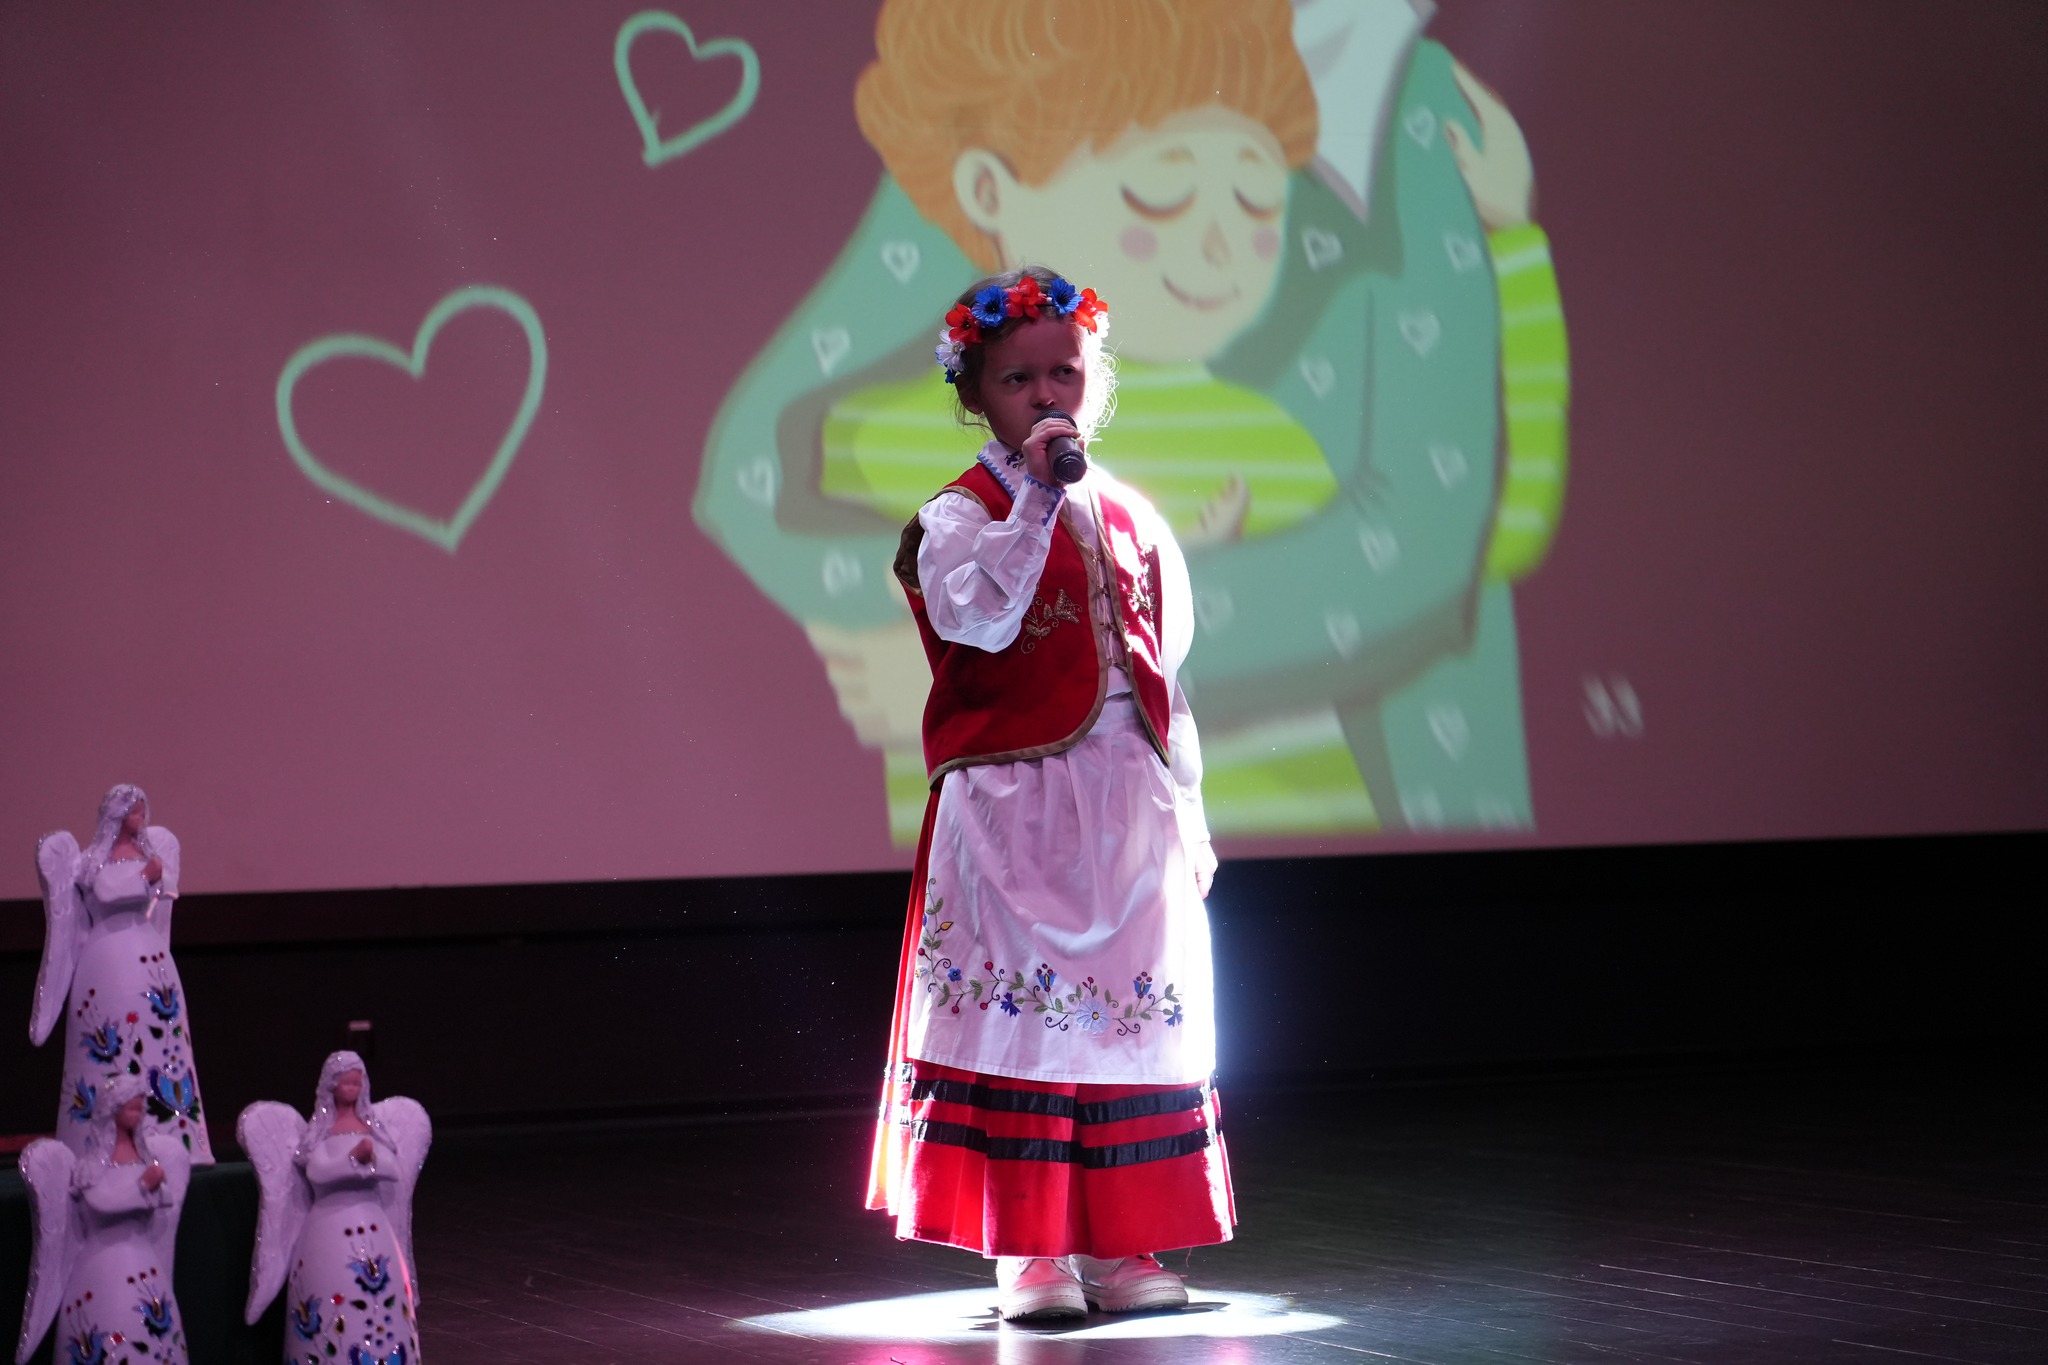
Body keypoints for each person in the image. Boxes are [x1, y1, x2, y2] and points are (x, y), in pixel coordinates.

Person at [694, 0, 1569, 847]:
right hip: (1011, 843)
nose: (1219, 243)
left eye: (1257, 198)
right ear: (989, 191)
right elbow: (962, 611)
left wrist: (1510, 243)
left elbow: (1469, 530)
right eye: (1160, 195)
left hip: (1166, 838)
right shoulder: (918, 482)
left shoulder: (1256, 448)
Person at [867, 266, 1231, 1321]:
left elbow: (1164, 678)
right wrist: (1033, 495)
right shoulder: (960, 517)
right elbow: (978, 620)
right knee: (1025, 1017)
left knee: (1127, 1017)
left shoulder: (1132, 517)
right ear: (975, 393)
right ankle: (1029, 1250)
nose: (1043, 394)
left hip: (1123, 806)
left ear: (1093, 381)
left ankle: (1125, 1243)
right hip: (1013, 813)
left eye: (1063, 373)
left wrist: (1189, 812)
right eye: (1016, 378)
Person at [31, 784, 214, 1163]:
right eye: (133, 811)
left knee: (160, 1034)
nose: (139, 818)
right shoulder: (90, 861)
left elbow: (168, 891)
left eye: (142, 811)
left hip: (149, 952)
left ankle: (173, 1136)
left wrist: (156, 876)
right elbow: (107, 891)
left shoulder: (149, 853)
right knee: (108, 1034)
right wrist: (146, 875)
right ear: (116, 815)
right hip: (107, 958)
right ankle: (93, 1142)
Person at [238, 1050, 431, 1365]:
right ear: (331, 1085)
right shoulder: (319, 1131)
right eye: (346, 1082)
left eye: (357, 1082)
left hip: (374, 1225)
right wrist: (355, 1158)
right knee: (331, 1290)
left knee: (378, 1294)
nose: (352, 1088)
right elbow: (318, 1170)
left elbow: (393, 1168)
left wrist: (370, 1158)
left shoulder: (373, 1129)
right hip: (327, 1228)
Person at [14, 1075, 193, 1365]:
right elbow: (103, 1203)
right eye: (131, 1108)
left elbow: (165, 1199)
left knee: (147, 1326)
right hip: (101, 1264)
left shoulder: (146, 1161)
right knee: (103, 1322)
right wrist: (144, 1186)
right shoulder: (90, 1168)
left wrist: (155, 1184)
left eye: (140, 1109)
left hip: (143, 1262)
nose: (137, 1115)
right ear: (113, 1109)